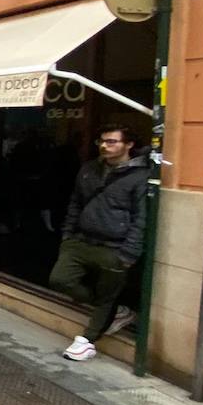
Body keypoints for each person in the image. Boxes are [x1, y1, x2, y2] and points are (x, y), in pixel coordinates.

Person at [52, 126, 148, 362]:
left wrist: (128, 254)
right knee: (59, 280)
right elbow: (75, 203)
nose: (105, 146)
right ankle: (116, 312)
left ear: (128, 145)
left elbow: (141, 218)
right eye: (102, 141)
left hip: (114, 247)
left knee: (108, 295)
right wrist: (67, 236)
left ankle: (88, 341)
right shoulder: (89, 169)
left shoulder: (140, 177)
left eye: (112, 142)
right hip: (80, 241)